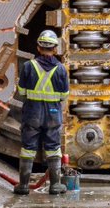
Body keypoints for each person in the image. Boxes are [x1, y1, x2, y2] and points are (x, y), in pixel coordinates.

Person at [13, 29, 69, 196]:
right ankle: (55, 185)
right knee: (53, 147)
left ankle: (23, 186)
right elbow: (64, 95)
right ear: (55, 49)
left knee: (28, 147)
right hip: (52, 112)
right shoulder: (61, 69)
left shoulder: (28, 66)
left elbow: (21, 91)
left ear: (38, 47)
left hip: (33, 111)